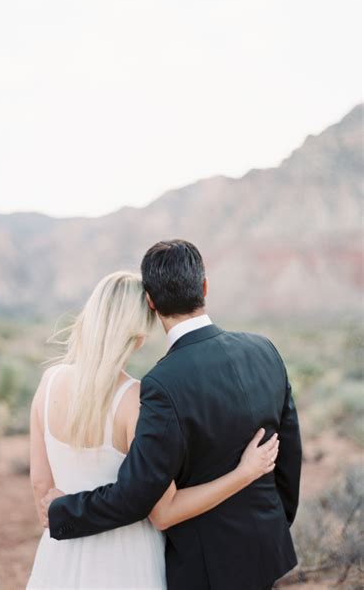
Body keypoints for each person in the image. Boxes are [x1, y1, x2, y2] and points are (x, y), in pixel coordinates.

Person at [43, 240, 302, 590]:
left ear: (150, 303)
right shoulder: (264, 350)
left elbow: (136, 494)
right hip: (266, 550)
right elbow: (288, 457)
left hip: (206, 568)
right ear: (205, 286)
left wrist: (62, 512)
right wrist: (275, 523)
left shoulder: (162, 384)